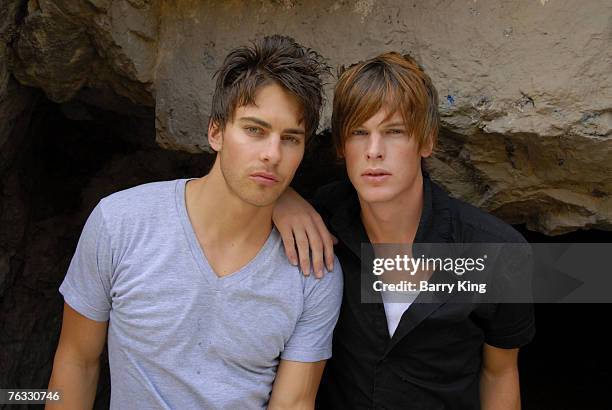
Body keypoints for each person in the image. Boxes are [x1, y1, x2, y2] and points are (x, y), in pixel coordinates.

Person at [47, 35, 343, 410]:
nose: (272, 154)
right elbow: (77, 361)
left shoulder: (314, 273)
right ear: (215, 132)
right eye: (255, 130)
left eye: (290, 138)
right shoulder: (119, 223)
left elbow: (294, 404)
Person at [273, 52, 535, 409]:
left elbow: (499, 373)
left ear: (426, 142)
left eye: (394, 132)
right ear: (341, 147)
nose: (374, 151)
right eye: (358, 133)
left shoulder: (498, 251)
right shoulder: (321, 223)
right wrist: (278, 198)